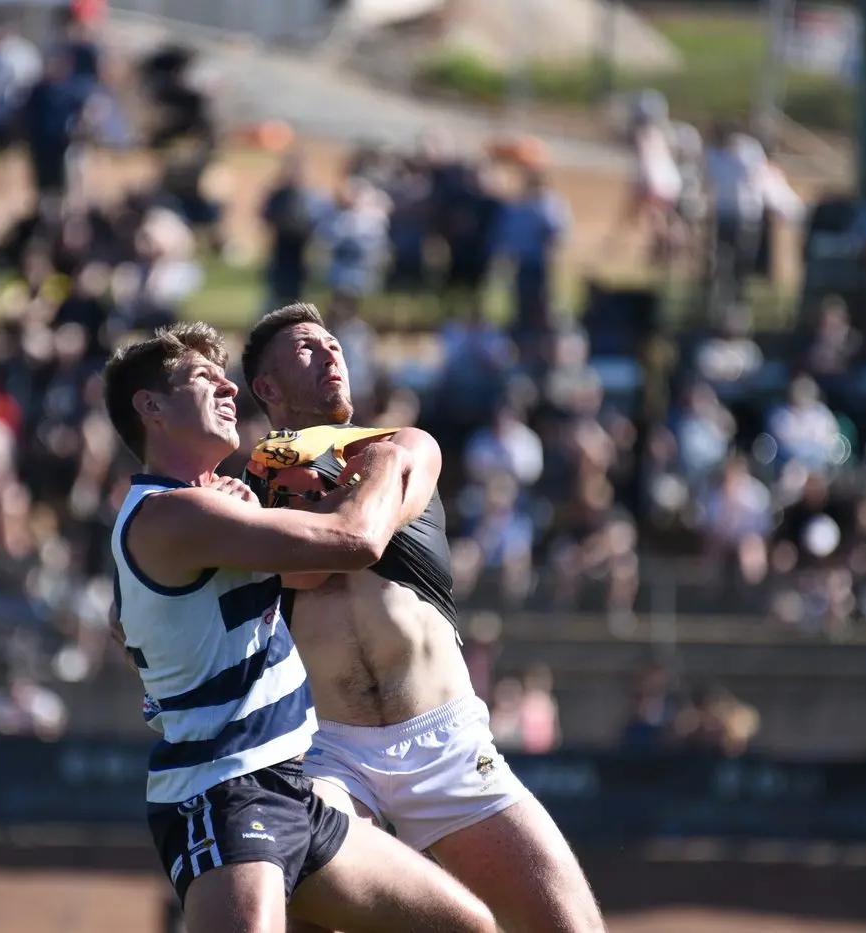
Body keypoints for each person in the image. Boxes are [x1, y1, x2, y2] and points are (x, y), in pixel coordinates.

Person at [102, 322, 495, 933]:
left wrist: (246, 506)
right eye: (205, 378)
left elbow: (129, 623)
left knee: (466, 926)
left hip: (292, 789)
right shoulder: (175, 513)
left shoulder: (203, 506)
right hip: (225, 792)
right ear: (151, 407)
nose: (229, 389)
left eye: (226, 377)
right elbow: (355, 540)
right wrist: (389, 459)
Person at [240, 304, 605, 933]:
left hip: (447, 743)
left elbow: (358, 537)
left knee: (569, 925)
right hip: (328, 752)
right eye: (306, 348)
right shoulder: (246, 487)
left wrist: (270, 530)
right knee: (299, 914)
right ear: (266, 388)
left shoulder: (404, 446)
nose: (331, 354)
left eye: (334, 345)